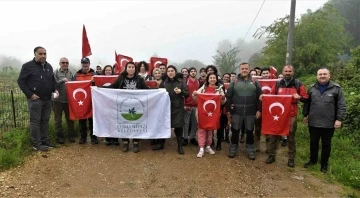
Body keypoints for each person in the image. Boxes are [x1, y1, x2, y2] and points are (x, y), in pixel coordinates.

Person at [302, 67, 346, 173]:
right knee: (313, 143)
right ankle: (313, 160)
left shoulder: (336, 88)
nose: (322, 76)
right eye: (320, 74)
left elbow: (341, 105)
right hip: (313, 122)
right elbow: (307, 103)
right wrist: (305, 115)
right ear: (317, 76)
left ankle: (324, 165)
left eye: (324, 74)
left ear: (329, 75)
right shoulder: (312, 88)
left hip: (329, 123)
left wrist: (339, 119)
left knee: (326, 145)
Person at [265, 64, 308, 168]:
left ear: (293, 72)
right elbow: (271, 95)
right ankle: (272, 155)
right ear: (283, 72)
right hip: (278, 115)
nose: (287, 73)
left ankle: (291, 159)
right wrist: (264, 97)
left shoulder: (298, 84)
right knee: (274, 134)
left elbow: (306, 97)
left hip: (291, 114)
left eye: (290, 71)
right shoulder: (278, 84)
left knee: (291, 137)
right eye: (286, 71)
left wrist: (300, 97)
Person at [17, 46, 58, 151]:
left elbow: (52, 80)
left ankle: (45, 141)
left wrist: (55, 89)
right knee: (35, 122)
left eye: (45, 54)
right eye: (40, 54)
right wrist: (30, 94)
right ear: (35, 54)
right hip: (36, 100)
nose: (43, 56)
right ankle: (37, 144)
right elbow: (21, 81)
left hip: (47, 99)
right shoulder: (28, 66)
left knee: (45, 120)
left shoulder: (48, 66)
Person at [106, 62, 149, 152]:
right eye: (129, 67)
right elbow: (113, 87)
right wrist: (99, 88)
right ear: (126, 68)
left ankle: (136, 143)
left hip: (136, 105)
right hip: (124, 105)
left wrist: (158, 90)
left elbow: (146, 89)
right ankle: (125, 142)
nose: (131, 68)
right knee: (124, 123)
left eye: (133, 67)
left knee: (136, 123)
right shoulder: (121, 78)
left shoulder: (139, 79)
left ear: (135, 69)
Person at [226, 62, 262, 160]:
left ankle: (250, 149)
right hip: (237, 111)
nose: (244, 70)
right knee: (235, 130)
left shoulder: (255, 81)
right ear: (240, 69)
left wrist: (259, 110)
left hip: (251, 111)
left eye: (246, 68)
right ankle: (233, 148)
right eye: (242, 69)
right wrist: (228, 111)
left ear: (249, 69)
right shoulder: (234, 81)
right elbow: (228, 97)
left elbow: (260, 97)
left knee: (250, 131)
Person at [156, 65, 189, 154]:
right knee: (164, 125)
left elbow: (187, 93)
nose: (170, 72)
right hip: (166, 108)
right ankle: (161, 144)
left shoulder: (181, 82)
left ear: (175, 72)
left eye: (172, 71)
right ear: (166, 73)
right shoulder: (164, 82)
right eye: (169, 71)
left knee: (178, 127)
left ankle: (180, 146)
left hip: (177, 108)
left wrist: (181, 92)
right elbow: (158, 93)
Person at [193, 73, 226, 157]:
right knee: (201, 130)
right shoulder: (203, 88)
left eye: (214, 78)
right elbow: (196, 98)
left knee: (210, 130)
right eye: (210, 78)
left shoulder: (219, 89)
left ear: (216, 79)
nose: (212, 79)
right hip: (203, 113)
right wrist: (194, 94)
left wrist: (223, 97)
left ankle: (208, 146)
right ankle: (201, 148)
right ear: (208, 79)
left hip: (213, 114)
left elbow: (223, 102)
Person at [75, 57, 98, 144]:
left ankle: (93, 137)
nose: (85, 65)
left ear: (89, 64)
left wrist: (94, 81)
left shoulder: (94, 73)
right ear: (81, 64)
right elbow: (73, 86)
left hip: (92, 99)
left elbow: (98, 85)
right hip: (81, 101)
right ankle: (83, 137)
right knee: (82, 119)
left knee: (92, 119)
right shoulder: (77, 74)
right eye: (83, 63)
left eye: (86, 63)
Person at [53, 57, 75, 144]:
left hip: (68, 101)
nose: (65, 64)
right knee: (58, 120)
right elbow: (54, 84)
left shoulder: (71, 73)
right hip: (57, 100)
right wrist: (62, 81)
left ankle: (71, 136)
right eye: (63, 62)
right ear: (59, 64)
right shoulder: (56, 73)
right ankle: (59, 137)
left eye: (66, 62)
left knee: (70, 119)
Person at [101, 65, 120, 146]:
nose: (108, 72)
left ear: (112, 71)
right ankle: (108, 139)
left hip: (114, 102)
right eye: (106, 70)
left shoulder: (116, 79)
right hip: (104, 103)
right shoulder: (100, 79)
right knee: (106, 121)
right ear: (104, 71)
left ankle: (115, 139)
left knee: (115, 121)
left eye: (109, 70)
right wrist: (93, 81)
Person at [183, 67, 199, 146]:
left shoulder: (198, 82)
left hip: (196, 105)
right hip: (187, 105)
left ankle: (192, 137)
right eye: (191, 71)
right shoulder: (186, 81)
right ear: (189, 73)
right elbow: (183, 94)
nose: (193, 72)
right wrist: (184, 104)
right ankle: (185, 138)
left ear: (196, 73)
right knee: (186, 123)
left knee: (194, 123)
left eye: (194, 71)